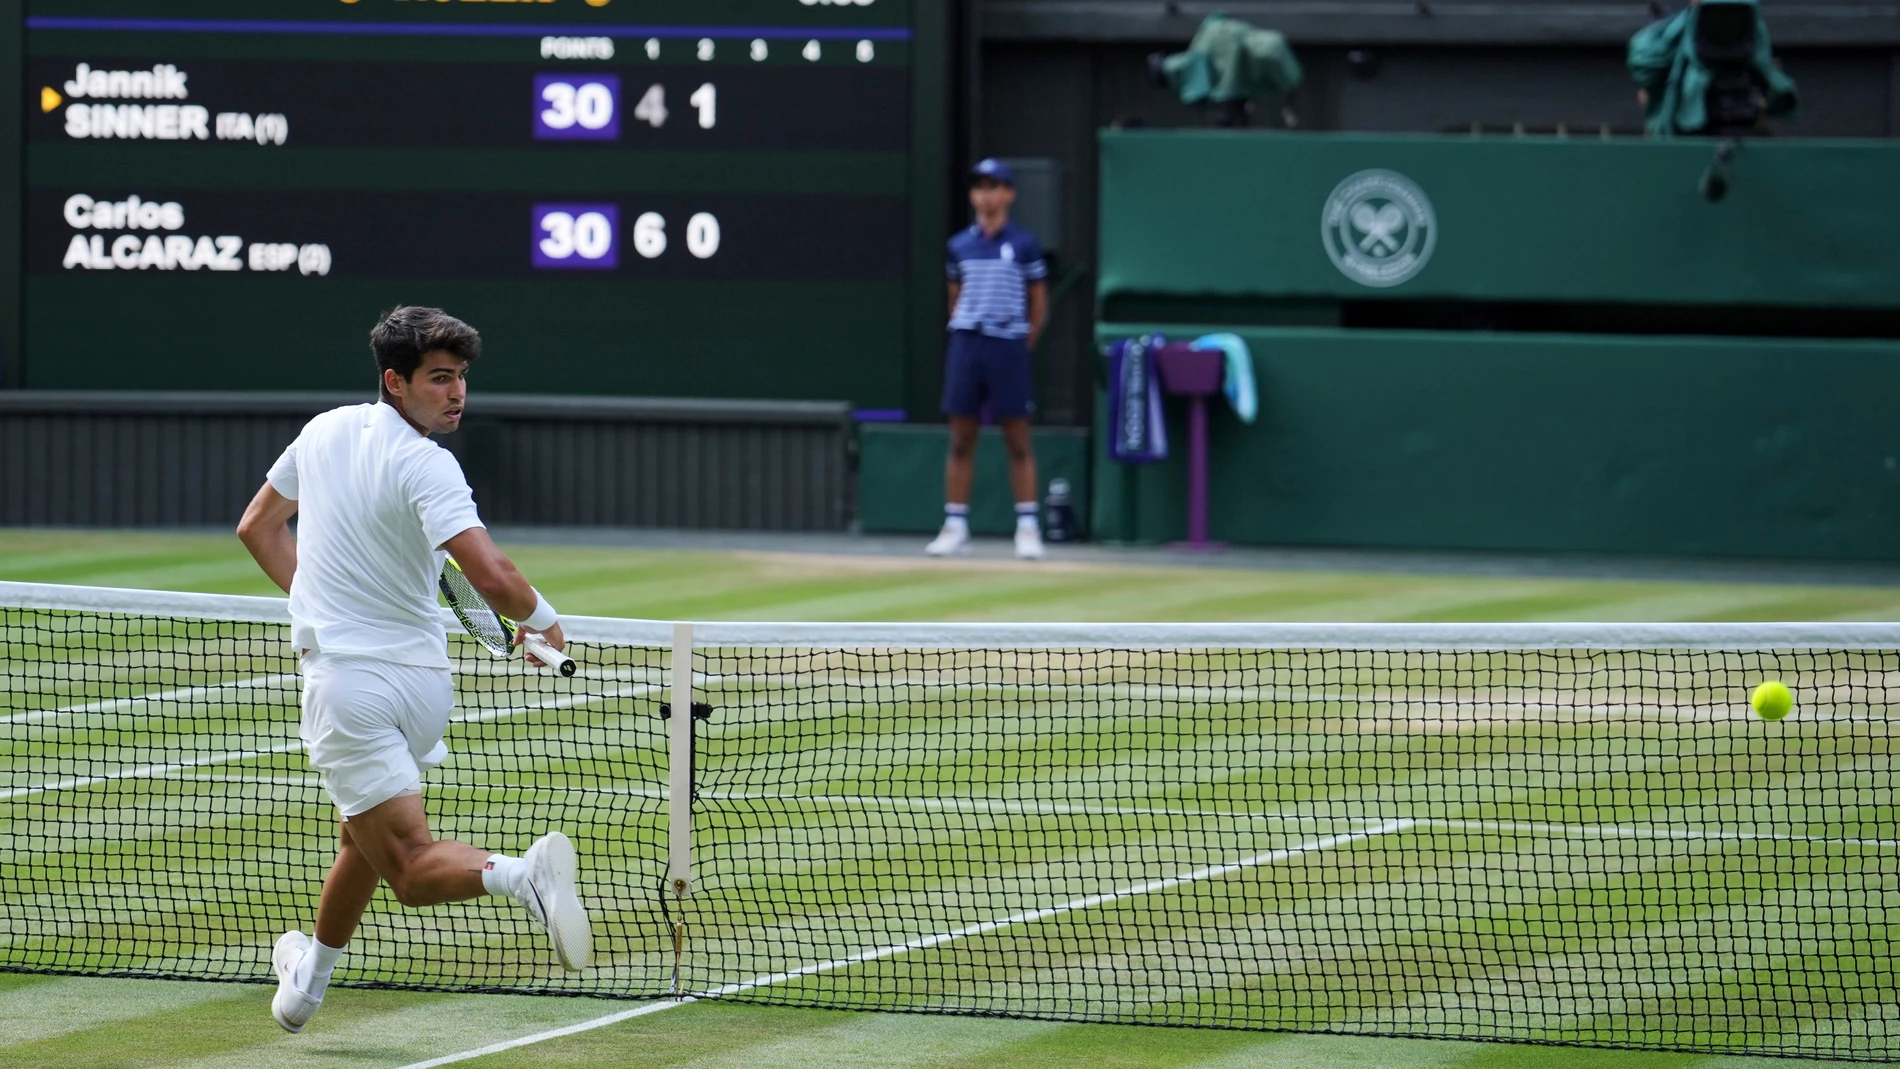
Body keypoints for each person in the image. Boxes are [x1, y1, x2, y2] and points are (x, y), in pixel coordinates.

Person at [236, 306, 590, 1034]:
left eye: (460, 378)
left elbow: (258, 528)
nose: (456, 392)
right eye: (439, 378)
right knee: (358, 839)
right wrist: (542, 620)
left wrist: (534, 614)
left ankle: (522, 876)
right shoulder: (421, 460)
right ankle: (305, 987)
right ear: (394, 381)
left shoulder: (333, 433)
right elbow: (488, 573)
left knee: (406, 863)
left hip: (351, 688)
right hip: (424, 688)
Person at [928, 158, 1050, 560]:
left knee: (1018, 440)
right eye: (979, 186)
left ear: (1009, 194)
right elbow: (954, 298)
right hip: (967, 345)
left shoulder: (1025, 244)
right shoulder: (958, 245)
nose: (986, 194)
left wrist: (1019, 342)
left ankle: (1028, 526)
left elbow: (1038, 303)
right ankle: (955, 524)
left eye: (994, 186)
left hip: (1008, 347)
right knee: (961, 439)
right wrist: (969, 331)